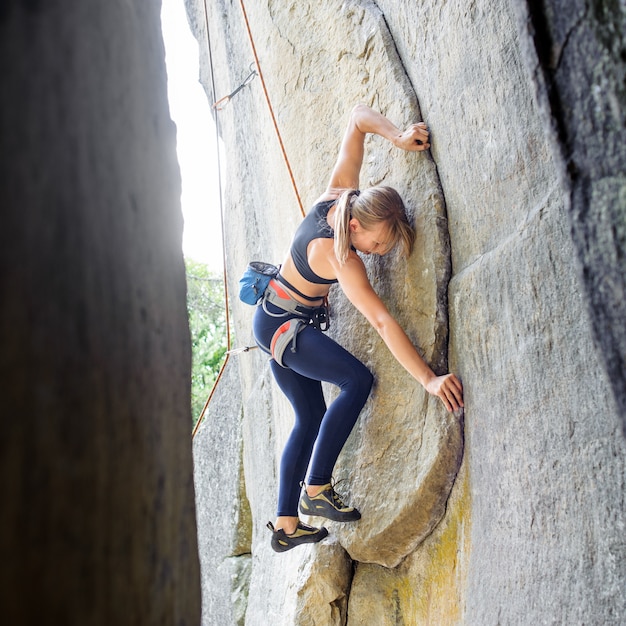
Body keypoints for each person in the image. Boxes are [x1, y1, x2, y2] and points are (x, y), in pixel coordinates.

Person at [253, 104, 464, 553]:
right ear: (355, 227)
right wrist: (428, 378)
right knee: (357, 380)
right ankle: (316, 489)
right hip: (283, 329)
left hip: (275, 319)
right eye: (379, 243)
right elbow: (383, 322)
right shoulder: (340, 257)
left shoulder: (338, 194)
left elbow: (355, 118)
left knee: (309, 417)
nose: (380, 252)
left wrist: (399, 136)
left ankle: (287, 527)